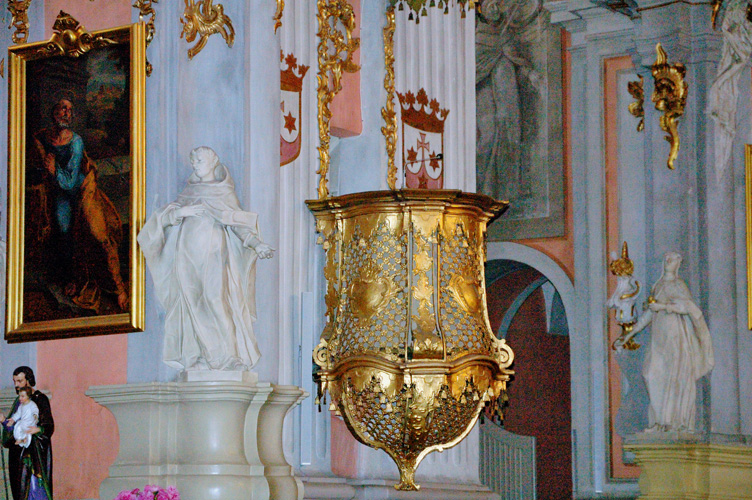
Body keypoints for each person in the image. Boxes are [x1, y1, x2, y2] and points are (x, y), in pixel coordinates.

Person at [138, 146, 275, 371]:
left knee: (215, 300)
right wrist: (178, 214)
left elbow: (237, 223)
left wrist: (256, 244)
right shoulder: (188, 193)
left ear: (213, 162)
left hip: (212, 256)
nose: (195, 165)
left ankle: (230, 355)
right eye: (193, 161)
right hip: (185, 258)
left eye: (199, 160)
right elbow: (161, 221)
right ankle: (204, 354)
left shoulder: (223, 192)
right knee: (192, 304)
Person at [29, 98, 128, 314]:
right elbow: (36, 153)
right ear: (52, 110)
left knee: (96, 231)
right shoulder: (43, 137)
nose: (66, 113)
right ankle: (72, 278)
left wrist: (54, 169)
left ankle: (118, 287)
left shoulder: (75, 142)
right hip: (60, 193)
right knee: (62, 225)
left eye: (70, 110)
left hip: (82, 190)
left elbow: (71, 180)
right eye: (62, 108)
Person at [617, 253, 714, 432]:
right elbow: (649, 314)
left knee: (675, 377)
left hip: (675, 337)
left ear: (678, 263)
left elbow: (687, 307)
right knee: (650, 373)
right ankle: (658, 421)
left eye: (673, 259)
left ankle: (672, 422)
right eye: (667, 258)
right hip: (659, 338)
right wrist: (630, 334)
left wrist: (663, 307)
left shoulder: (679, 285)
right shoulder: (658, 285)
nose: (669, 261)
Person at [0, 366, 54, 500]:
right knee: (21, 490)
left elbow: (48, 425)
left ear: (28, 380)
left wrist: (38, 430)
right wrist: (4, 421)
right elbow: (13, 427)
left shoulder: (40, 399)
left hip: (34, 456)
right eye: (14, 382)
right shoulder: (19, 402)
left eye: (19, 381)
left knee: (34, 488)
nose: (16, 385)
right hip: (18, 456)